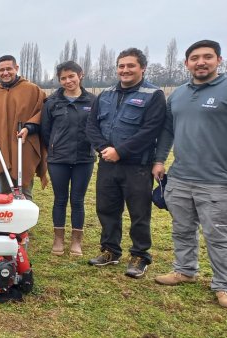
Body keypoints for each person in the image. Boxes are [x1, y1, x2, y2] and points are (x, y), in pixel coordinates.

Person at [152, 40, 227, 307]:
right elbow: (167, 131)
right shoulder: (179, 94)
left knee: (218, 235)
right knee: (182, 228)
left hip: (217, 180)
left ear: (218, 60)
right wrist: (160, 160)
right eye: (195, 58)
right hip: (181, 176)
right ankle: (185, 270)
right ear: (186, 64)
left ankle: (223, 284)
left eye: (207, 57)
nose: (201, 62)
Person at [85, 48, 166, 278]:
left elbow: (150, 130)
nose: (125, 70)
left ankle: (140, 255)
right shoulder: (105, 94)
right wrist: (104, 149)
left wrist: (120, 151)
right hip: (108, 164)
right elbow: (91, 126)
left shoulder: (154, 95)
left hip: (137, 166)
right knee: (106, 208)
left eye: (131, 65)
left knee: (139, 212)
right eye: (121, 66)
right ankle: (110, 250)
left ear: (142, 68)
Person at [40, 61, 97, 257]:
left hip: (84, 159)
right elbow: (45, 132)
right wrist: (55, 147)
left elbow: (97, 128)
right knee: (60, 199)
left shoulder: (92, 101)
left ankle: (76, 240)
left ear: (80, 75)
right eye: (63, 78)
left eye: (71, 76)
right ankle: (58, 238)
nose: (68, 81)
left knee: (78, 200)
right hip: (58, 160)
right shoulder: (52, 102)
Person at [0, 55, 47, 201]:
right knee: (5, 191)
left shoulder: (33, 90)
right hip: (2, 147)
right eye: (1, 70)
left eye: (9, 69)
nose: (5, 73)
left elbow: (44, 112)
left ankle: (24, 221)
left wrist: (30, 127)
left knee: (24, 190)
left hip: (24, 145)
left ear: (16, 68)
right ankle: (7, 220)